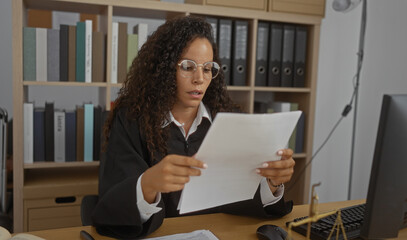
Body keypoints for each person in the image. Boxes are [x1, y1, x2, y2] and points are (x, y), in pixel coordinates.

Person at [92, 15, 296, 239]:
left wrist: (272, 182)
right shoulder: (130, 120)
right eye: (188, 67)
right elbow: (110, 205)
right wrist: (148, 184)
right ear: (164, 69)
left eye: (207, 68)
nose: (199, 78)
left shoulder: (228, 121)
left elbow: (240, 199)